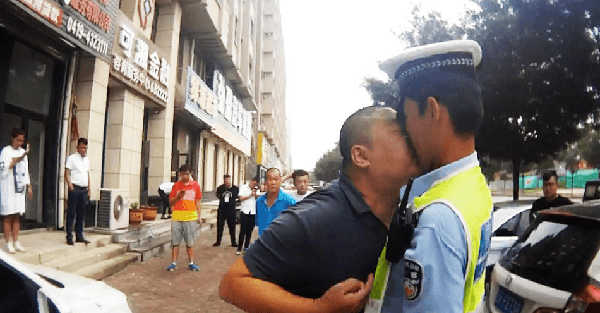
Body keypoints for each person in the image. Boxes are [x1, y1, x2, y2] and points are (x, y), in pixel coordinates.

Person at [219, 106, 419, 312]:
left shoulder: (408, 208)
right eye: (402, 134)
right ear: (361, 156)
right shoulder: (314, 218)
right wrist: (317, 308)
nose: (414, 138)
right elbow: (233, 284)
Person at [368, 39, 493, 313]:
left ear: (433, 111)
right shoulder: (473, 184)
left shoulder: (438, 220)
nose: (406, 131)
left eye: (407, 118)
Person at [0, 128, 32, 253]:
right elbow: (4, 168)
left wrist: (29, 186)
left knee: (17, 215)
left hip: (19, 188)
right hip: (8, 188)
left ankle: (16, 241)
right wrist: (16, 159)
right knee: (9, 215)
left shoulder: (23, 152)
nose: (20, 143)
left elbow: (26, 171)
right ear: (13, 139)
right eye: (18, 140)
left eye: (22, 141)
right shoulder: (5, 152)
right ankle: (8, 242)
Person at [167, 164, 202, 271]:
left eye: (187, 173)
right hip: (177, 217)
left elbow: (198, 202)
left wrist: (199, 215)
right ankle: (173, 262)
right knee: (175, 242)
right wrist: (178, 197)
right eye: (183, 174)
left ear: (190, 174)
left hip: (190, 217)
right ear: (180, 174)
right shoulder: (176, 186)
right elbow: (171, 202)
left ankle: (191, 262)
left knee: (190, 242)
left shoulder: (195, 186)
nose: (185, 176)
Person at [255, 168, 296, 237]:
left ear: (280, 181)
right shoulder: (259, 202)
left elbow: (294, 228)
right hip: (263, 245)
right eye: (270, 179)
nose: (273, 182)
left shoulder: (290, 202)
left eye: (276, 179)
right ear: (265, 182)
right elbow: (259, 224)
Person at [64, 137, 91, 246]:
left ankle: (79, 235)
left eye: (85, 148)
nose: (83, 150)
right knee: (71, 213)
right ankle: (69, 236)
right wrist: (69, 184)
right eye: (81, 147)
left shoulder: (87, 160)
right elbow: (66, 172)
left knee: (81, 214)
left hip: (84, 189)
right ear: (77, 147)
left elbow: (87, 174)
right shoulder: (71, 158)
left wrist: (89, 188)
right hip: (75, 188)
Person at [213, 174, 239, 247]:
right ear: (224, 180)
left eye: (229, 179)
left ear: (231, 180)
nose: (228, 181)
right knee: (220, 226)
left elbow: (237, 197)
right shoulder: (220, 188)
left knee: (232, 226)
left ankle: (233, 242)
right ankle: (218, 241)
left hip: (231, 210)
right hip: (222, 210)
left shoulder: (235, 189)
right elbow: (218, 195)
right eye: (226, 180)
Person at [236, 178, 258, 255]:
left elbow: (257, 199)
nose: (254, 185)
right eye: (253, 184)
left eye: (255, 184)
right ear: (251, 182)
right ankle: (239, 248)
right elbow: (241, 198)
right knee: (243, 231)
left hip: (252, 212)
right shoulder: (243, 187)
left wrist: (256, 195)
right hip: (245, 211)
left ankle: (246, 247)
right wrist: (250, 195)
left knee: (249, 231)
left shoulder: (256, 189)